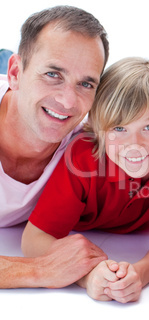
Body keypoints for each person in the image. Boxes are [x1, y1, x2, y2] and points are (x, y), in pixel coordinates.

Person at [22, 57, 149, 303]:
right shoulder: (82, 159)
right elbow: (34, 239)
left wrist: (139, 273)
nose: (135, 144)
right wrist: (88, 274)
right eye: (119, 128)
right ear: (98, 129)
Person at [0, 6, 109, 288]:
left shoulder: (86, 141)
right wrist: (38, 269)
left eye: (85, 83)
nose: (69, 101)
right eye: (53, 74)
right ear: (16, 73)